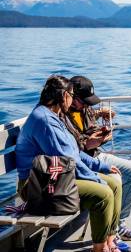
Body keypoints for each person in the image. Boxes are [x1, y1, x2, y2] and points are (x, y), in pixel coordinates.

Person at [15, 75, 123, 252]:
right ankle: (99, 248)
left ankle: (110, 242)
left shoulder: (54, 116)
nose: (72, 100)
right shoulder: (45, 121)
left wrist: (100, 167)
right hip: (36, 186)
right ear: (64, 95)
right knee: (103, 194)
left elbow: (74, 152)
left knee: (114, 183)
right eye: (72, 95)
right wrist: (95, 179)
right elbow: (69, 160)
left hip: (55, 176)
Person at [61, 76, 131, 242]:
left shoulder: (84, 109)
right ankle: (109, 233)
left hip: (97, 155)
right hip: (82, 162)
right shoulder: (61, 116)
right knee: (114, 179)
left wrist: (102, 124)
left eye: (89, 102)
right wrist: (88, 144)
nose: (86, 105)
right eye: (83, 101)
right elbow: (69, 151)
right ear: (70, 97)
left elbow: (89, 119)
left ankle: (118, 224)